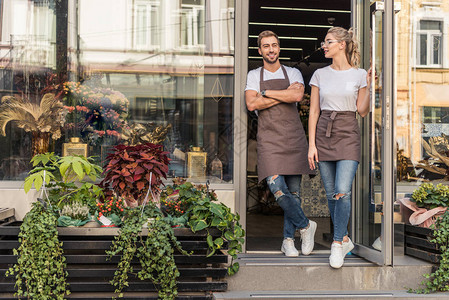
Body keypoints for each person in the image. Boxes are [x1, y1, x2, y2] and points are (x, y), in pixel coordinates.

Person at [245, 30, 317, 257]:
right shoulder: (254, 74)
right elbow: (250, 104)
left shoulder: (294, 71)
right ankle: (306, 226)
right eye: (266, 46)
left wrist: (265, 93)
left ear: (279, 48)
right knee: (278, 190)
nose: (271, 49)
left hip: (293, 139)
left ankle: (288, 241)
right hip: (269, 140)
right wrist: (282, 93)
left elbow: (296, 97)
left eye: (274, 45)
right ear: (260, 51)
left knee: (294, 194)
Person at [308, 27, 371, 268]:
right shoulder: (319, 74)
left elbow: (362, 110)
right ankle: (344, 239)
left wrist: (370, 86)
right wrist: (311, 145)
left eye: (329, 42)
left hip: (348, 133)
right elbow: (314, 111)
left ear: (342, 45)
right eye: (325, 42)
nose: (324, 46)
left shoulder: (359, 74)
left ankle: (336, 243)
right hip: (324, 133)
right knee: (331, 195)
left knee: (342, 190)